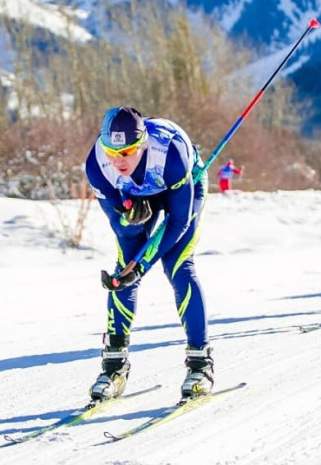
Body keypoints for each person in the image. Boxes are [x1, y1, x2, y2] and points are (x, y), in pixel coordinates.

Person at [85, 107, 213, 402]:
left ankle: (200, 364)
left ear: (141, 144)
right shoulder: (97, 165)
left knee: (179, 266)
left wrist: (143, 264)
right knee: (122, 274)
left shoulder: (171, 152)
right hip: (137, 195)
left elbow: (178, 222)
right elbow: (121, 229)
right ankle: (114, 366)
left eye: (128, 151)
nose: (119, 160)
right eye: (112, 151)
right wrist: (129, 221)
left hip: (182, 185)